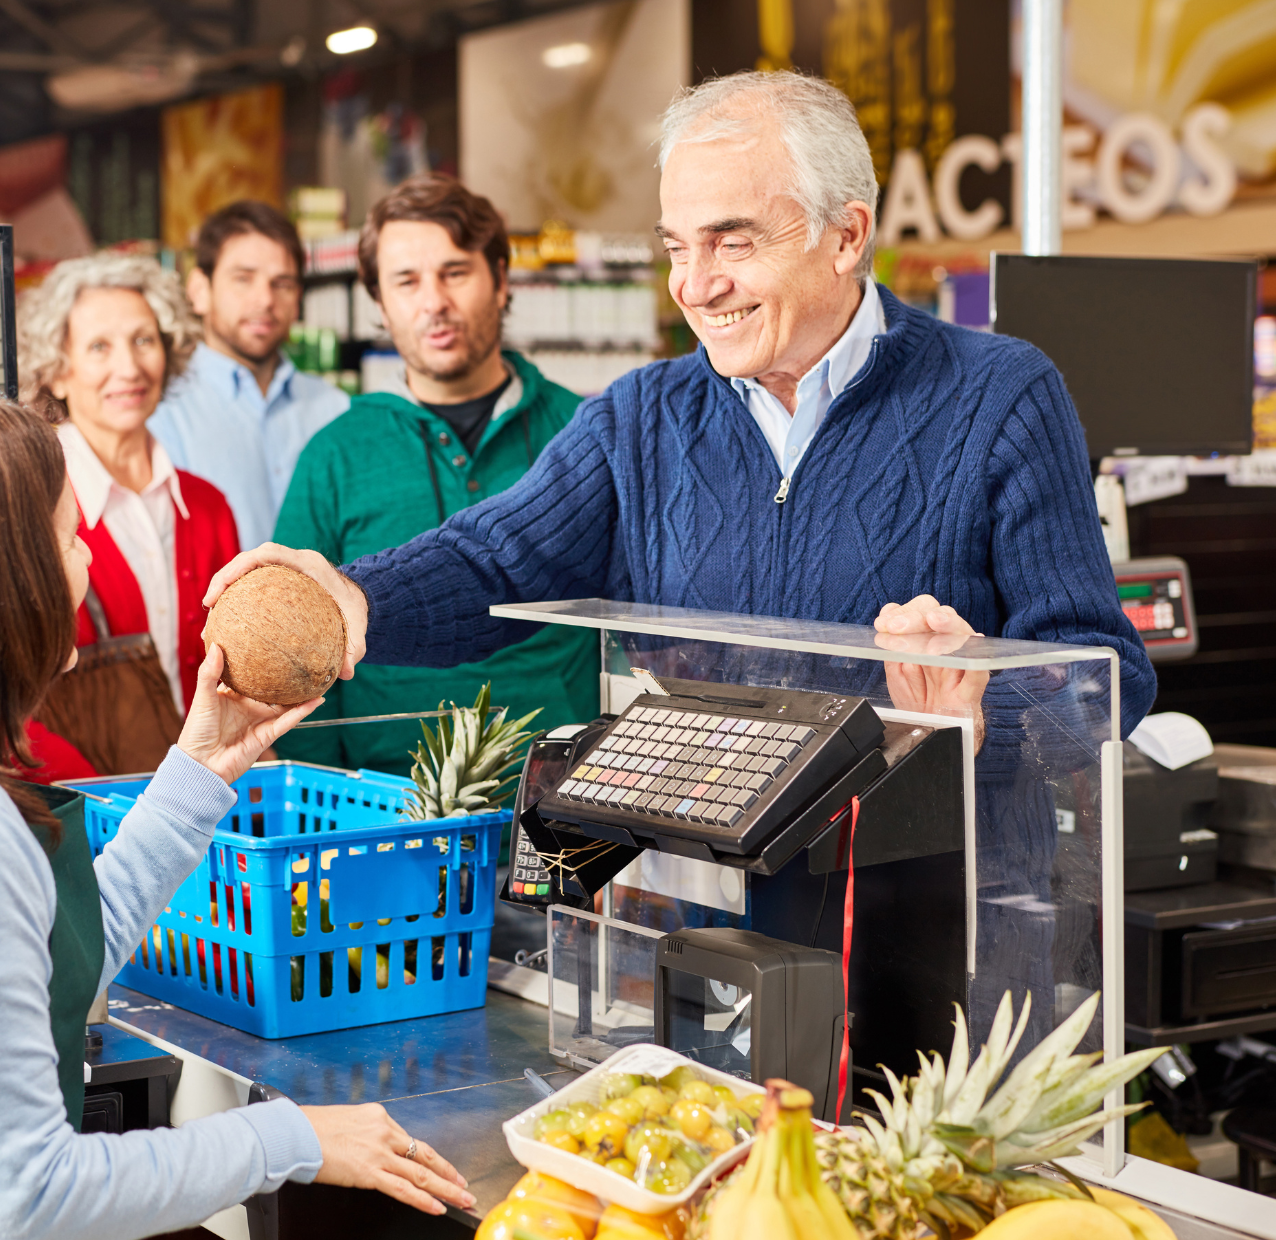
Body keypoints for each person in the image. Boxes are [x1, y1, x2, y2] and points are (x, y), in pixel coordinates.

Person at [209, 73, 1156, 1022]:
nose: (696, 285)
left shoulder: (998, 397)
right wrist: (352, 598)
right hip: (711, 928)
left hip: (948, 931)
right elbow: (490, 558)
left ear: (847, 234)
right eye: (678, 246)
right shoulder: (641, 419)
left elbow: (1109, 669)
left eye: (732, 241)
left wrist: (987, 695)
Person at [0, 392, 472, 1240]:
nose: (84, 561)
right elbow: (32, 1197)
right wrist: (290, 1136)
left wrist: (201, 768)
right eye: (71, 537)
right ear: (5, 580)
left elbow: (51, 959)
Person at [271, 173, 599, 776]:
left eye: (454, 272)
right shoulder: (335, 454)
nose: (434, 302)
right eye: (406, 281)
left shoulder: (585, 431)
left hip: (566, 806)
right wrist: (321, 798)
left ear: (501, 281)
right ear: (380, 303)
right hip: (386, 812)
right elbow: (299, 649)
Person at [18, 253, 241, 778]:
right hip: (79, 810)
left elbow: (237, 670)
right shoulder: (27, 503)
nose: (130, 367)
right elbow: (6, 701)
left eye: (145, 340)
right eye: (99, 347)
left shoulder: (208, 508)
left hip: (209, 803)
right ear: (57, 372)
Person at [147, 201, 349, 550]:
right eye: (243, 279)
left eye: (282, 283)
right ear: (200, 290)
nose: (265, 299)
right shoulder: (160, 412)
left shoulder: (335, 408)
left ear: (298, 297)